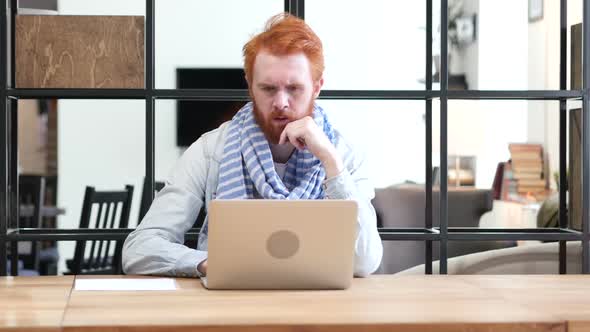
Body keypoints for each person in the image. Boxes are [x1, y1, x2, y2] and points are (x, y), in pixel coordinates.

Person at [122, 13, 383, 278]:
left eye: (294, 88)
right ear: (250, 87)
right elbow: (138, 250)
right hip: (227, 306)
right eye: (269, 88)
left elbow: (365, 262)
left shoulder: (343, 155)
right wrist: (208, 263)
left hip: (318, 309)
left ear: (317, 87)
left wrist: (330, 160)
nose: (281, 102)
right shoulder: (210, 150)